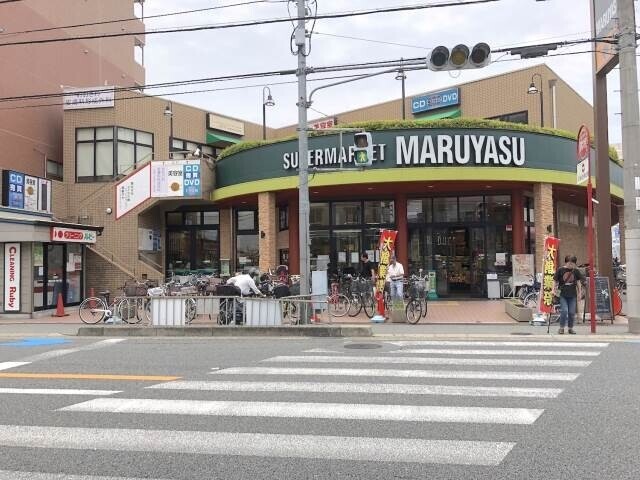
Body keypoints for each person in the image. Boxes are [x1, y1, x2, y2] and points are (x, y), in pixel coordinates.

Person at [553, 255, 584, 334]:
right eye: (570, 263)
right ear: (566, 262)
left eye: (573, 264)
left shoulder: (576, 271)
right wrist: (553, 290)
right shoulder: (560, 270)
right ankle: (561, 328)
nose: (571, 265)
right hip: (562, 294)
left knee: (571, 312)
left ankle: (570, 328)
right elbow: (555, 280)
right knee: (564, 311)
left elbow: (578, 283)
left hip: (572, 294)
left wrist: (580, 293)